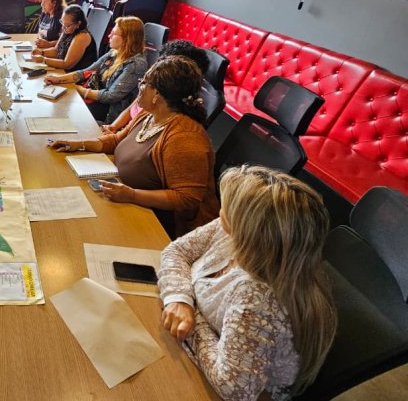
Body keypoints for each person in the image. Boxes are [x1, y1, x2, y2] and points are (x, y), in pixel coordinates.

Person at [159, 165, 337, 400]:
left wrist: (191, 311)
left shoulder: (260, 299)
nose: (220, 210)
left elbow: (233, 388)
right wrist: (179, 299)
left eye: (228, 209)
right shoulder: (230, 229)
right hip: (197, 353)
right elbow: (176, 251)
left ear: (251, 231)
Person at [49, 56, 219, 236]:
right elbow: (117, 141)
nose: (139, 87)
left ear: (157, 94)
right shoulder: (149, 114)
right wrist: (79, 144)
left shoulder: (184, 137)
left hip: (158, 226)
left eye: (143, 83)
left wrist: (132, 195)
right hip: (124, 199)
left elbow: (186, 198)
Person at [44, 16, 147, 123]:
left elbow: (110, 96)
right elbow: (86, 72)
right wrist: (59, 79)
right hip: (95, 102)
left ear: (127, 39)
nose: (109, 36)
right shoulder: (114, 52)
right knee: (58, 105)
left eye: (114, 34)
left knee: (62, 111)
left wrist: (78, 89)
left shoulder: (136, 65)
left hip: (107, 114)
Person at [101, 39, 211, 133]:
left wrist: (115, 136)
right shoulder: (152, 86)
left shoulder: (165, 102)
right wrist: (114, 127)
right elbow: (131, 108)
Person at [31, 4, 97, 72]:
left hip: (77, 75)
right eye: (62, 23)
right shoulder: (68, 30)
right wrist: (41, 52)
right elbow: (56, 51)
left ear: (78, 24)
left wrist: (43, 60)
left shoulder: (82, 37)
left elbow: (67, 64)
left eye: (67, 25)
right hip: (65, 71)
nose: (63, 28)